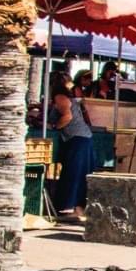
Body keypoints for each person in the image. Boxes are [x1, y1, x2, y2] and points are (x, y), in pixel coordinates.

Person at [51, 70, 94, 218]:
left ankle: (71, 208)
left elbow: (67, 117)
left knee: (74, 174)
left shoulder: (60, 97)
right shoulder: (69, 96)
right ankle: (78, 208)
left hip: (77, 139)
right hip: (83, 137)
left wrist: (55, 126)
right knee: (81, 174)